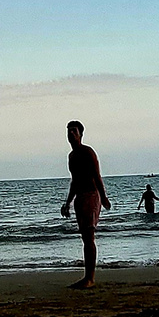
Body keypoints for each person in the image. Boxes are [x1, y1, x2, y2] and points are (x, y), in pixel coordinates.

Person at [60, 120, 110, 288]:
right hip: (80, 197)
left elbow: (97, 175)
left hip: (91, 195)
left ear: (80, 134)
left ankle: (90, 278)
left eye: (74, 131)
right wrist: (67, 202)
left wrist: (103, 198)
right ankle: (87, 276)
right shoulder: (72, 156)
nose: (71, 134)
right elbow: (74, 181)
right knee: (85, 237)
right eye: (69, 131)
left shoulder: (88, 152)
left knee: (89, 236)